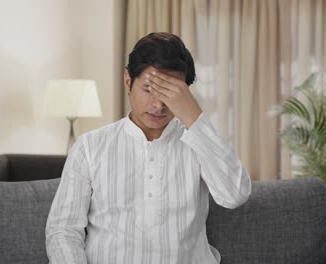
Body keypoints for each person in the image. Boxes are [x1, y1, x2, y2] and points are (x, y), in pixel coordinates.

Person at [45, 32, 251, 264]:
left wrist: (193, 116)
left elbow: (234, 195)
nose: (158, 105)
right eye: (149, 89)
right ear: (128, 80)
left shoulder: (198, 142)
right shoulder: (89, 147)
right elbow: (63, 231)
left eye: (170, 94)